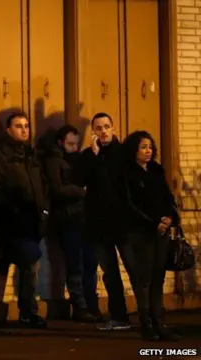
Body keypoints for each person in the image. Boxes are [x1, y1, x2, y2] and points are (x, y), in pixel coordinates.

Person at [0, 111, 49, 328]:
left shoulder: (30, 154)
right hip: (11, 224)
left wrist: (45, 210)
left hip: (33, 222)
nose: (24, 130)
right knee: (31, 262)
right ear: (7, 130)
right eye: (19, 126)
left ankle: (27, 310)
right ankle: (27, 311)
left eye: (27, 126)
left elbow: (42, 185)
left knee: (30, 266)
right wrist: (12, 211)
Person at [73, 113, 134, 331]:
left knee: (134, 268)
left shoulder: (125, 153)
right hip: (98, 224)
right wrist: (93, 155)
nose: (104, 131)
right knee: (110, 272)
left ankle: (150, 316)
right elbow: (79, 179)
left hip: (123, 223)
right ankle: (119, 316)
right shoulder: (89, 155)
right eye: (98, 128)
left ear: (114, 127)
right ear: (93, 132)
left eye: (107, 126)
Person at [38, 125, 101, 322]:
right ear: (60, 143)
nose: (74, 147)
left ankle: (91, 305)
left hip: (84, 218)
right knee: (75, 263)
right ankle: (80, 307)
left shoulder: (78, 160)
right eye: (70, 144)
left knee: (90, 263)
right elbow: (56, 189)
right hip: (67, 219)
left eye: (76, 144)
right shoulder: (54, 162)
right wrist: (83, 191)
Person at [121, 131, 180, 341]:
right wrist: (154, 222)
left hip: (161, 232)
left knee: (158, 278)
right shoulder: (127, 172)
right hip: (141, 232)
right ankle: (146, 324)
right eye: (143, 147)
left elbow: (167, 197)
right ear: (134, 150)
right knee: (143, 279)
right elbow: (129, 204)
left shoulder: (156, 170)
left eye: (150, 147)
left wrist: (169, 218)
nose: (148, 151)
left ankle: (159, 322)